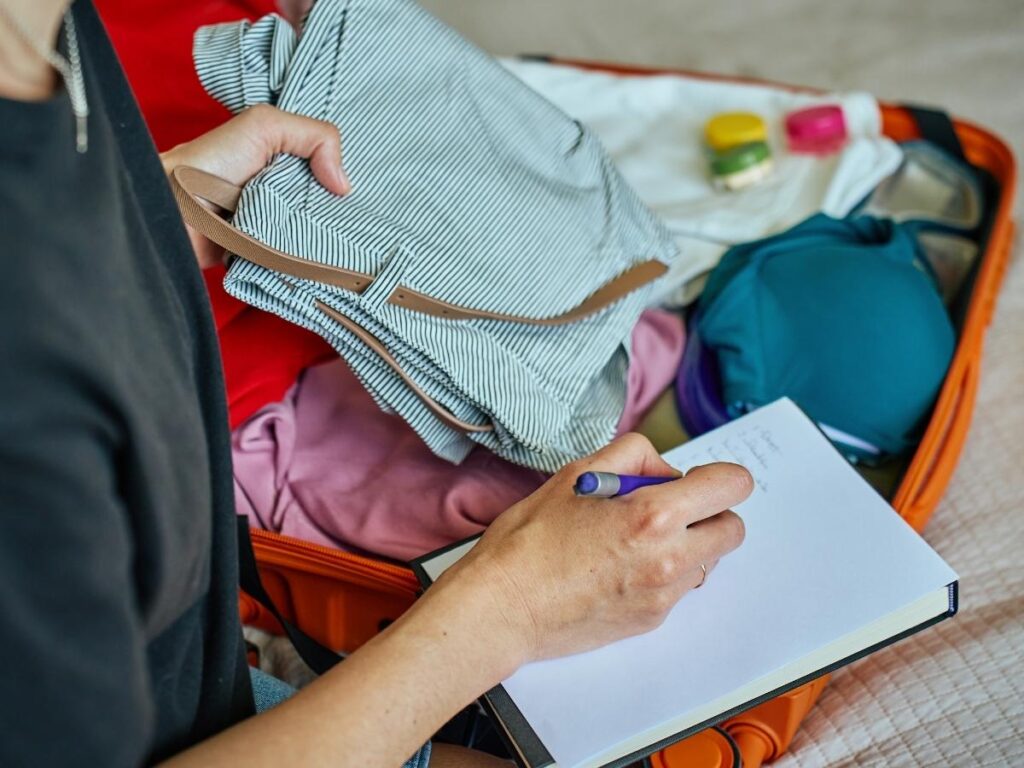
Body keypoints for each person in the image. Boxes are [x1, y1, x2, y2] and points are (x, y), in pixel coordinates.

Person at [0, 1, 751, 765]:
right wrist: (511, 606)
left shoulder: (42, 39)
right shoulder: (29, 421)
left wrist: (157, 215)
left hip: (187, 673)